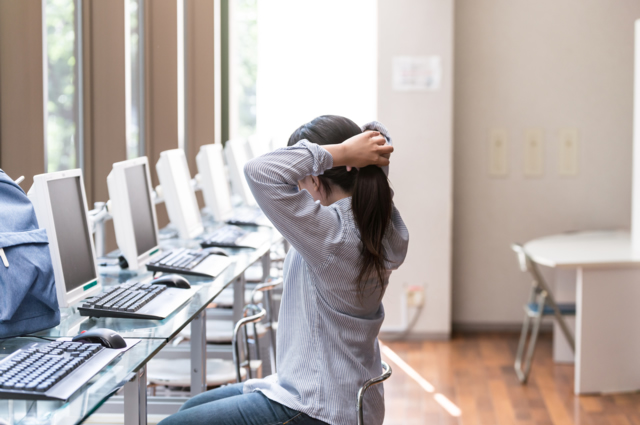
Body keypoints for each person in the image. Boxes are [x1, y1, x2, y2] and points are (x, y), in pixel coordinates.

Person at [158, 116, 409, 425]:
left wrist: (342, 152)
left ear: (315, 180)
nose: (298, 192)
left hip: (319, 407)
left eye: (300, 183)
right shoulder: (379, 224)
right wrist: (350, 151)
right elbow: (378, 138)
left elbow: (258, 171)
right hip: (344, 394)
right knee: (191, 409)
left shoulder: (333, 237)